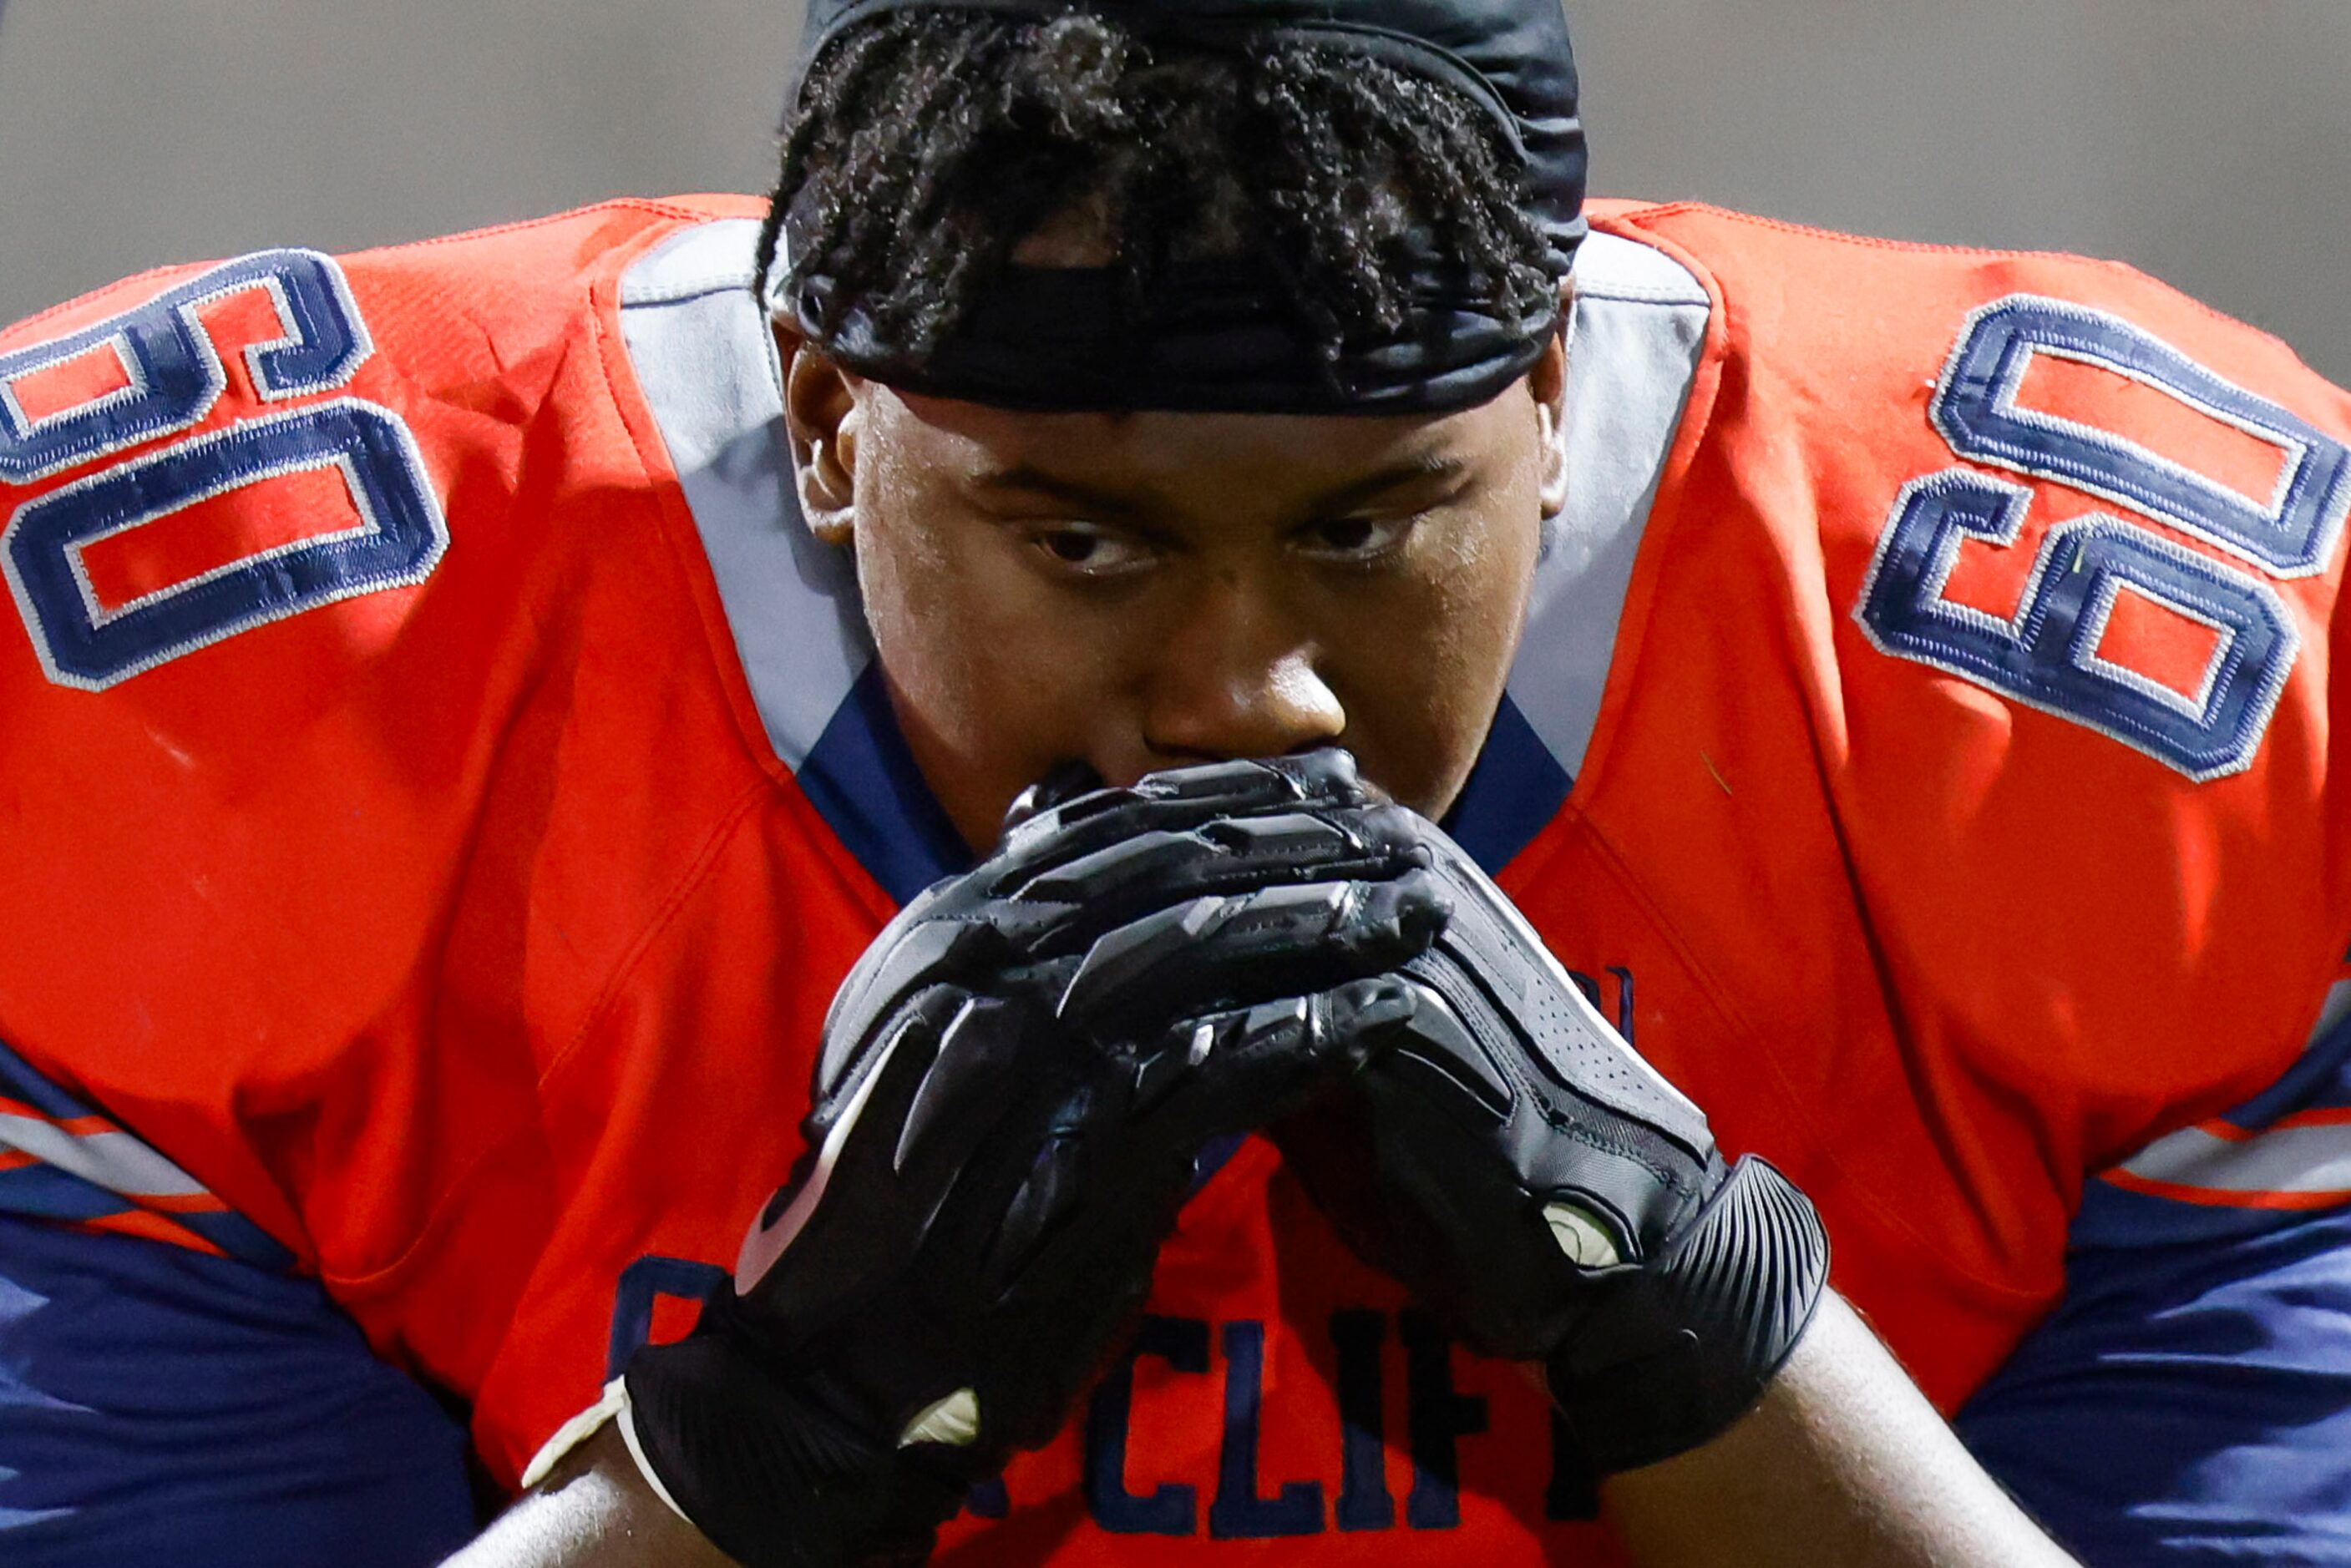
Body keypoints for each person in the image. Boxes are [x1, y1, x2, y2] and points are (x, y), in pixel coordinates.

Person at [0, 0, 2342, 1564]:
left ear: (1545, 386)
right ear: (824, 411)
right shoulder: (225, 704)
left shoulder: (2118, 714)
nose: (1251, 703)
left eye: (1364, 526)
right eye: (1080, 537)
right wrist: (778, 1429)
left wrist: (1692, 1314)